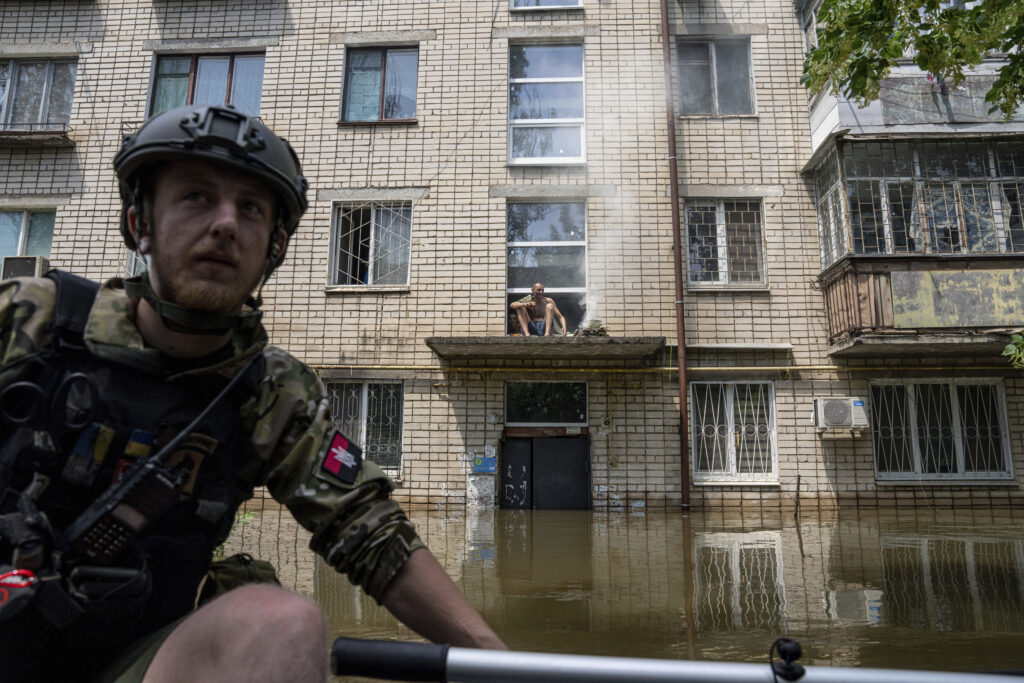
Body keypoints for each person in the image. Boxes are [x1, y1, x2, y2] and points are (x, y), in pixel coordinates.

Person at [0, 104, 504, 683]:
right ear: (141, 224)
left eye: (251, 209)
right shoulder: (31, 318)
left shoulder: (271, 391)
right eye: (195, 197)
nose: (225, 224)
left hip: (142, 662)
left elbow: (368, 530)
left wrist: (495, 661)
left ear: (273, 247)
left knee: (277, 622)